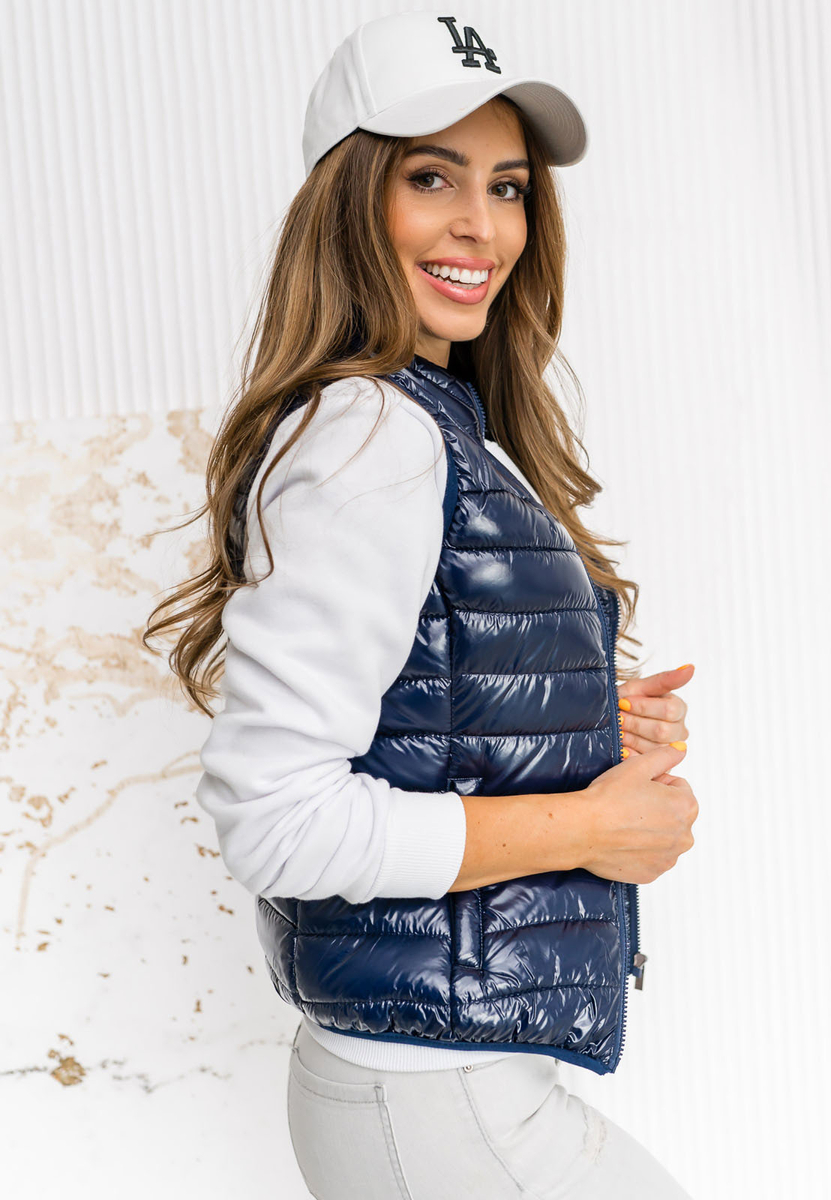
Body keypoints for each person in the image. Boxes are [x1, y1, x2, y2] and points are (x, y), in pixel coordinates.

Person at [144, 11, 699, 1198]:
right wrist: (590, 828)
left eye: (507, 187)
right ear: (350, 199)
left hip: (444, 1088)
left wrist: (574, 729)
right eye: (431, 177)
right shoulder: (374, 436)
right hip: (437, 1100)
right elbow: (277, 819)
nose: (480, 225)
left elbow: (416, 711)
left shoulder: (431, 423)